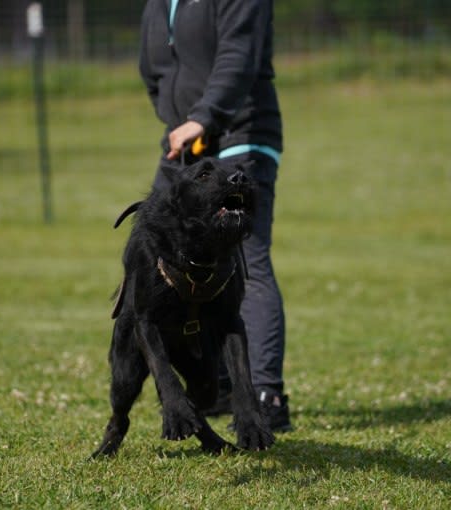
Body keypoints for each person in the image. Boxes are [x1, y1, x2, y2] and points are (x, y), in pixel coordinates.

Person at [138, 0, 291, 432]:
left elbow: (237, 57)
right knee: (161, 258)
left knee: (247, 260)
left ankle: (264, 395)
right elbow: (153, 71)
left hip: (241, 131)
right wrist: (177, 118)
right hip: (185, 145)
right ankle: (212, 385)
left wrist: (204, 117)